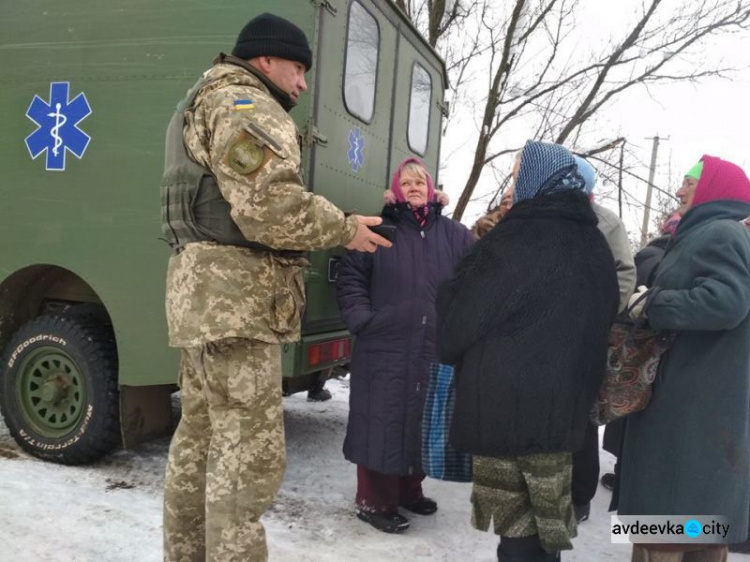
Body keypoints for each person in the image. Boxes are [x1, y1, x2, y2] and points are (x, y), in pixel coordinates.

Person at [160, 13, 391, 562]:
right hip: (236, 304)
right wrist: (345, 228)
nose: (304, 83)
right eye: (298, 68)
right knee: (246, 461)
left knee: (199, 446)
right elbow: (271, 208)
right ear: (266, 59)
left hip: (205, 301)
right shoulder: (246, 106)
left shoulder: (204, 98)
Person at [437, 141, 619, 562]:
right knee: (545, 532)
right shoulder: (593, 243)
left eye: (519, 175)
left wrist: (449, 293)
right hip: (563, 415)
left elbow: (454, 329)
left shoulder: (512, 240)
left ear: (538, 178)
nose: (514, 184)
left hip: (504, 411)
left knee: (515, 533)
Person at [618, 156, 750, 562]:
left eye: (689, 184)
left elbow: (728, 302)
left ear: (713, 189)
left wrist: (653, 304)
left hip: (689, 414)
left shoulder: (721, 233)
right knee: (697, 532)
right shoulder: (704, 233)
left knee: (668, 531)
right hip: (690, 410)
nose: (678, 191)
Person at [336, 157, 474, 534]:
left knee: (422, 420)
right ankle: (375, 501)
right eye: (406, 182)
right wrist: (363, 320)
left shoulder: (456, 235)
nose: (414, 187)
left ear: (432, 190)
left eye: (420, 182)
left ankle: (410, 490)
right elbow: (351, 277)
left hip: (434, 344)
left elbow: (472, 284)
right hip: (385, 344)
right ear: (395, 191)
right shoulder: (379, 228)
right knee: (382, 420)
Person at [570, 156, 636, 523]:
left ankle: (580, 496)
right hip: (553, 334)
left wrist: (601, 317)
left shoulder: (605, 221)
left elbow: (625, 272)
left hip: (588, 336)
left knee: (582, 418)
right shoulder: (555, 217)